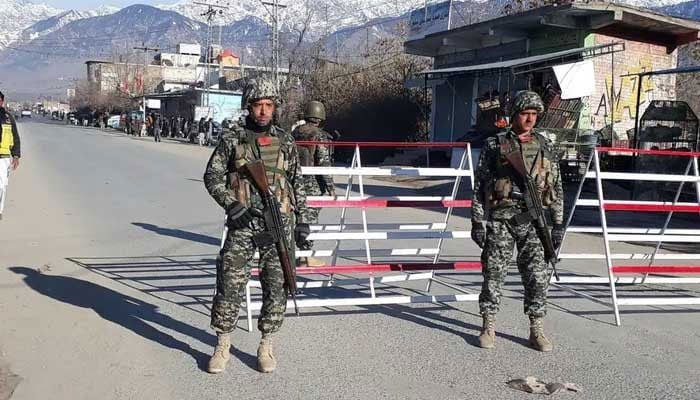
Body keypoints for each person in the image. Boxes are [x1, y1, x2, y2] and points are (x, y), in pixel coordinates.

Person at [203, 78, 310, 374]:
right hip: (244, 223)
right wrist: (232, 205)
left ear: (275, 107)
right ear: (248, 106)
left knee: (277, 284)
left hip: (279, 223)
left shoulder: (285, 140)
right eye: (258, 105)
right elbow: (212, 177)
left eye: (269, 105)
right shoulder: (232, 138)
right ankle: (222, 345)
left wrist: (303, 221)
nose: (263, 111)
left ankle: (266, 345)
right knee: (230, 282)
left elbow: (297, 182)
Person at [470, 90, 565, 352]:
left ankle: (536, 330)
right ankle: (488, 326)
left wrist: (558, 224)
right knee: (493, 274)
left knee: (537, 276)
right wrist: (477, 221)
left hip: (534, 222)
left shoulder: (545, 145)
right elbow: (480, 185)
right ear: (514, 115)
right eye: (525, 113)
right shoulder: (496, 145)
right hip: (502, 219)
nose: (530, 119)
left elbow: (556, 187)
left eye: (534, 114)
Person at [292, 100, 336, 267]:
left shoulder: (296, 132)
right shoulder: (319, 135)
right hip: (313, 184)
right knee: (309, 219)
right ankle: (305, 255)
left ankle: (301, 253)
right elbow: (323, 162)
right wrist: (330, 186)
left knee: (298, 216)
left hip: (295, 181)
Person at [0, 90, 21, 220]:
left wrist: (16, 156)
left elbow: (15, 137)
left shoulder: (8, 118)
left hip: (4, 157)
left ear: (2, 102)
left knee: (1, 186)